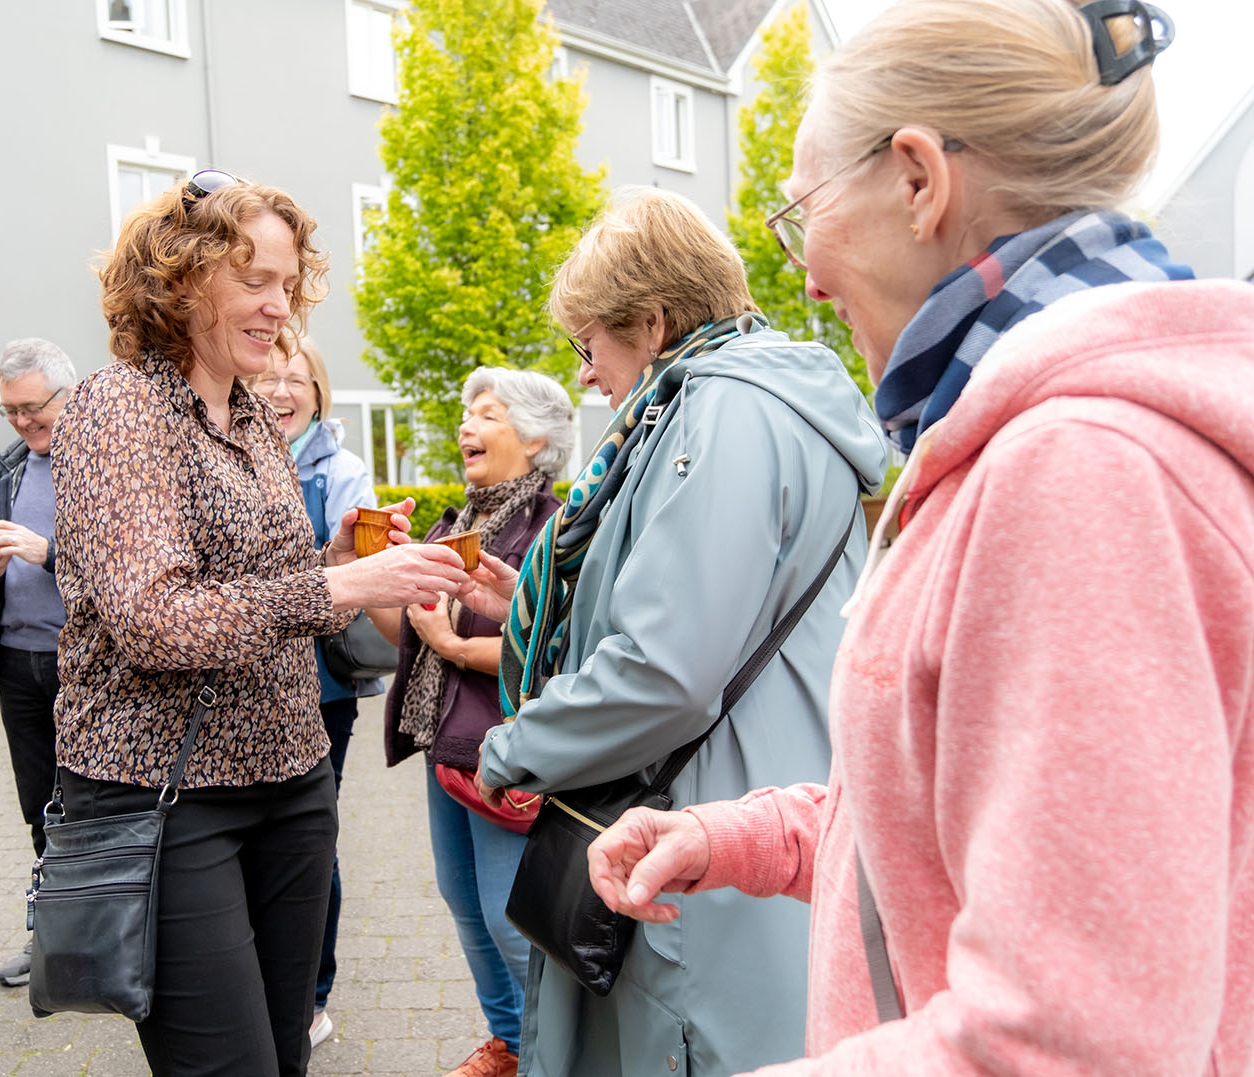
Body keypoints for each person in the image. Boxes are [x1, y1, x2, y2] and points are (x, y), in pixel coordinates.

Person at [585, 2, 1254, 1073]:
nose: (802, 273)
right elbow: (962, 813)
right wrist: (738, 837)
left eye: (803, 209)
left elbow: (1075, 1041)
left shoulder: (1077, 470)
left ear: (915, 180)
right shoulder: (1024, 437)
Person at [459, 188, 887, 1076]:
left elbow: (665, 666)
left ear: (651, 323)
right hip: (748, 811)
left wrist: (513, 746)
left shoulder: (717, 413)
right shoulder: (757, 399)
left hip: (704, 841)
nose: (583, 373)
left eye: (589, 343)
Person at [50, 170, 469, 1075]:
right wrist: (346, 590)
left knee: (284, 1053)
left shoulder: (248, 414)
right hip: (167, 797)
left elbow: (267, 586)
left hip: (291, 779)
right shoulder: (117, 408)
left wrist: (346, 562)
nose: (281, 307)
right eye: (256, 281)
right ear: (179, 280)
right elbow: (156, 621)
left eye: (289, 284)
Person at [373, 367, 572, 1077]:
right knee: (463, 902)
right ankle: (511, 1043)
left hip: (501, 748)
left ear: (538, 435)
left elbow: (554, 644)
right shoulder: (455, 523)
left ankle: (554, 1052)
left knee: (505, 915)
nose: (466, 426)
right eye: (467, 414)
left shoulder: (551, 525)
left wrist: (455, 645)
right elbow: (403, 629)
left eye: (487, 414)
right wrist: (374, 567)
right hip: (443, 741)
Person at [249, 336, 385, 1049]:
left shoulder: (342, 468)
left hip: (321, 684)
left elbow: (360, 563)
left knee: (308, 841)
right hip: (243, 677)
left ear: (318, 392)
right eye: (268, 375)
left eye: (294, 378)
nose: (279, 390)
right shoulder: (234, 450)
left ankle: (309, 994)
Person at [0, 337, 76, 988]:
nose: (23, 423)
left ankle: (114, 934)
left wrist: (46, 549)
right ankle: (52, 936)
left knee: (93, 804)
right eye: (10, 411)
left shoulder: (102, 458)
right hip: (19, 664)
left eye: (33, 408)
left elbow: (127, 568)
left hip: (87, 667)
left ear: (68, 392)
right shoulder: (7, 465)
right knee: (40, 807)